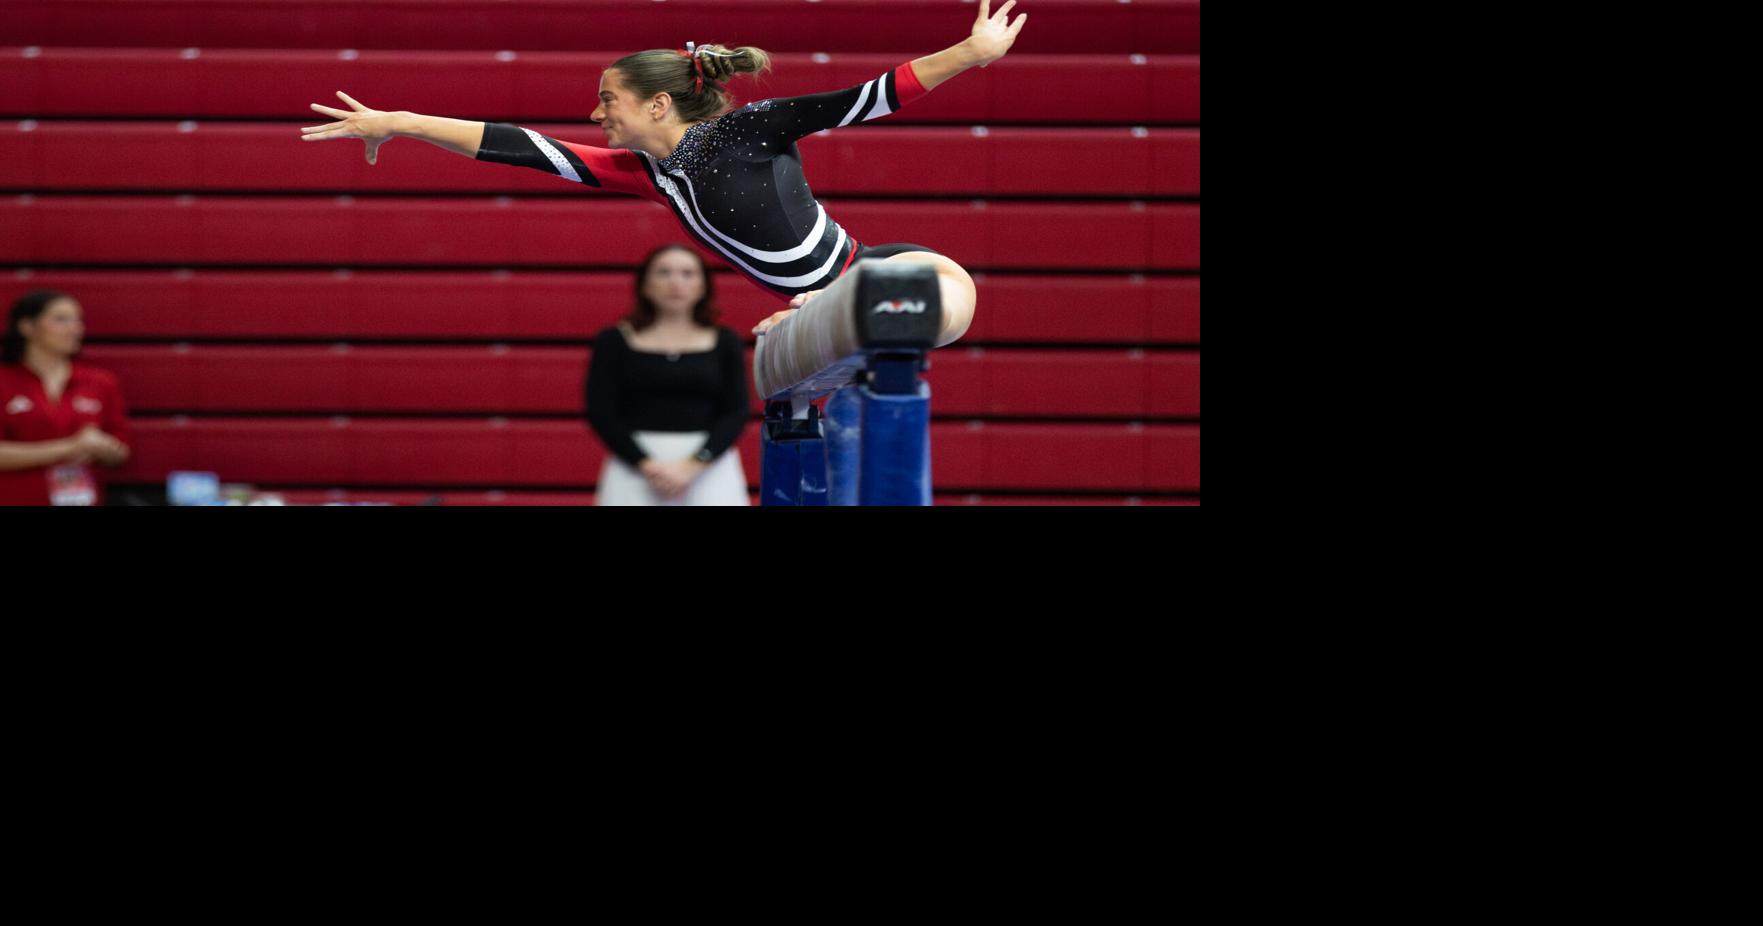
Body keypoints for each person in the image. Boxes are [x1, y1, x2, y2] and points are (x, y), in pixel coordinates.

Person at [300, 0, 1029, 348]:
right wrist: (401, 120)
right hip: (839, 305)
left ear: (655, 102)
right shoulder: (648, 171)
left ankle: (829, 316)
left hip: (900, 275)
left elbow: (867, 97)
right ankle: (826, 319)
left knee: (922, 315)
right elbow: (518, 146)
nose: (594, 116)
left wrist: (972, 52)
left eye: (607, 101)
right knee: (827, 334)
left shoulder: (747, 129)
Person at [587, 244, 751, 506]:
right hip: (635, 468)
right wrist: (646, 465)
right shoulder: (614, 340)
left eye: (687, 273)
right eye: (664, 273)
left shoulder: (726, 341)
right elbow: (601, 411)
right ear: (645, 284)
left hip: (708, 468)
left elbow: (736, 411)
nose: (676, 282)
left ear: (703, 286)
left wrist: (693, 466)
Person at [0, 290, 132, 506]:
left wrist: (105, 448)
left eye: (79, 320)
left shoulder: (101, 382)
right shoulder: (4, 380)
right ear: (27, 327)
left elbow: (122, 452)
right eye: (61, 319)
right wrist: (71, 447)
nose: (76, 328)